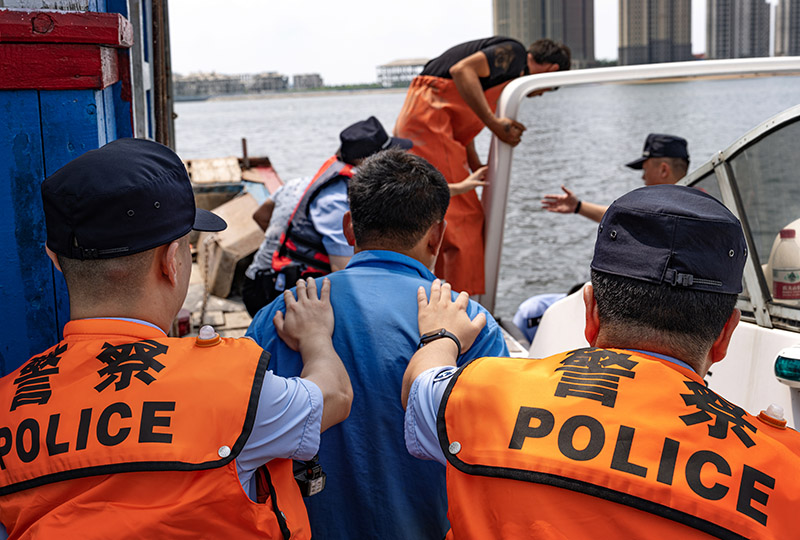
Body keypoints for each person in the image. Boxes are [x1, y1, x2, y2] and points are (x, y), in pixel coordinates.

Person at [0, 138, 353, 539]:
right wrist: (316, 338)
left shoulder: (7, 405)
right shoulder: (234, 390)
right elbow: (334, 396)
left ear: (54, 260)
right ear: (171, 262)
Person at [403, 184, 800, 539]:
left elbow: (419, 387)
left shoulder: (480, 395)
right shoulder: (785, 473)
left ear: (590, 312)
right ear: (726, 334)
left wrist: (442, 335)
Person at [247, 148, 509, 540]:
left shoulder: (281, 314)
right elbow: (497, 453)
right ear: (437, 235)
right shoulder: (468, 322)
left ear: (349, 228)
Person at [395, 37, 571, 295]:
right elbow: (461, 71)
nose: (540, 94)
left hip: (430, 124)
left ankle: (435, 292)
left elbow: (462, 115)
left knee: (438, 214)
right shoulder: (515, 53)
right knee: (465, 219)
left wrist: (476, 163)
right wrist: (495, 124)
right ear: (551, 70)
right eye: (547, 88)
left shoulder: (505, 73)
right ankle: (462, 304)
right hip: (430, 124)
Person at [542, 133, 690, 223]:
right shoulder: (704, 201)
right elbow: (624, 217)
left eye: (645, 170)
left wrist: (578, 207)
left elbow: (626, 218)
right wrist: (578, 207)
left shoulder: (664, 212)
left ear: (664, 170)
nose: (643, 177)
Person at [243, 175, 312, 316]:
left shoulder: (294, 183)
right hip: (277, 292)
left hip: (253, 281)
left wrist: (280, 242)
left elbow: (260, 215)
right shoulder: (333, 199)